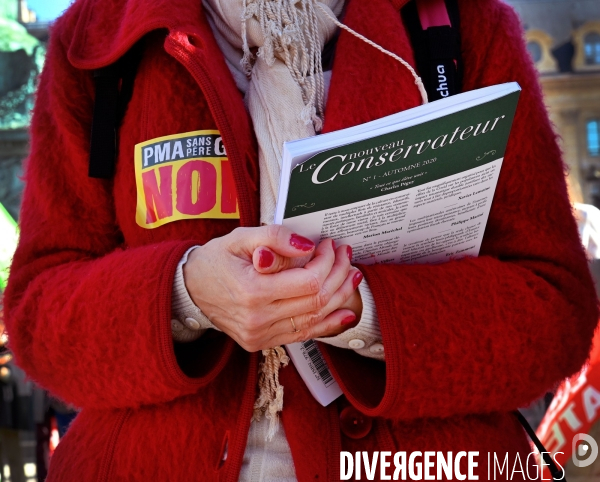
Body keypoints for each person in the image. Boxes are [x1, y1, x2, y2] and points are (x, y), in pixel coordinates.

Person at [3, 0, 598, 480]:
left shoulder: (462, 26)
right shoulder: (99, 38)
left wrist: (365, 312)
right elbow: (38, 317)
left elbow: (555, 310)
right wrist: (185, 295)